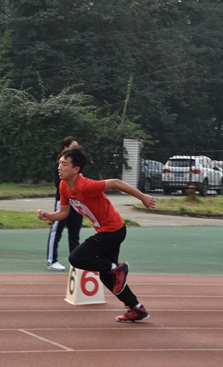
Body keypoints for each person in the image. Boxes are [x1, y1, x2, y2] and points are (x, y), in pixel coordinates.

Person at [37, 146, 156, 322]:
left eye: (64, 164)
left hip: (113, 230)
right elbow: (63, 213)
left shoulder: (85, 186)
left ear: (76, 169)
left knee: (76, 258)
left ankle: (116, 268)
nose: (59, 167)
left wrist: (142, 197)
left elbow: (116, 182)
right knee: (107, 276)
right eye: (59, 163)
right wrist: (49, 216)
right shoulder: (63, 186)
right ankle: (136, 307)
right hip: (107, 230)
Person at [46, 136, 83, 271]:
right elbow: (59, 183)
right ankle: (52, 260)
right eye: (74, 147)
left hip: (77, 203)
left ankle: (76, 262)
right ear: (65, 148)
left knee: (74, 234)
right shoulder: (59, 165)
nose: (77, 149)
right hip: (62, 202)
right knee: (56, 231)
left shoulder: (77, 165)